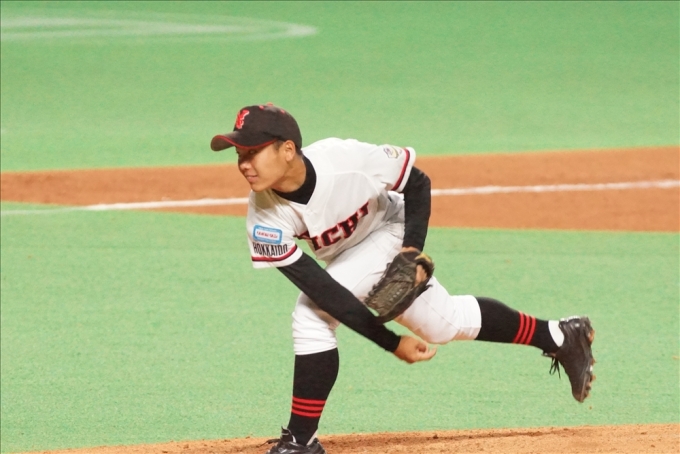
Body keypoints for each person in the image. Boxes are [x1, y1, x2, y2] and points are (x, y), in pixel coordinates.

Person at [210, 104, 595, 454]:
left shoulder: (347, 160)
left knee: (311, 318)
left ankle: (300, 440)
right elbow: (325, 290)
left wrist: (411, 252)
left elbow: (417, 182)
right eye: (239, 154)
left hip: (390, 230)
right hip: (346, 256)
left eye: (253, 151)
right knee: (444, 324)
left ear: (287, 149)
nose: (244, 164)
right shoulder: (264, 218)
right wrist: (391, 342)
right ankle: (560, 335)